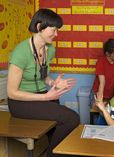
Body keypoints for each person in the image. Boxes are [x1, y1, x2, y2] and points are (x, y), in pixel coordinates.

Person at [7, 9, 80, 157]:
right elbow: (12, 93)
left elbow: (43, 76)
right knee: (72, 118)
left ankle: (55, 152)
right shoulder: (21, 52)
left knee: (58, 127)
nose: (56, 35)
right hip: (20, 102)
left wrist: (53, 83)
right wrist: (45, 97)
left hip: (42, 96)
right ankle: (51, 154)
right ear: (40, 27)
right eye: (53, 30)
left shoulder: (50, 49)